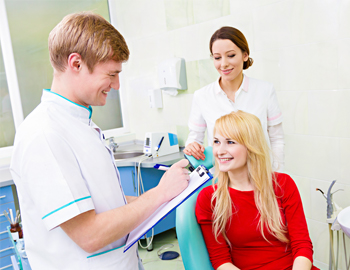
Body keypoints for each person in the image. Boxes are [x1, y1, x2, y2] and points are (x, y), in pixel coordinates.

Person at [10, 12, 190, 270]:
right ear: (76, 64)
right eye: (111, 74)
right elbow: (89, 234)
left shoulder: (80, 123)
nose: (116, 85)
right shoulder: (44, 134)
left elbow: (105, 204)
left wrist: (164, 196)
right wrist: (161, 194)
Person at [195, 111, 319, 270]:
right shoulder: (209, 198)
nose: (220, 151)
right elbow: (220, 260)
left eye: (230, 142)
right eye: (217, 141)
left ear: (251, 147)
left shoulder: (282, 184)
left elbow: (302, 244)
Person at [184, 26, 284, 171]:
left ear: (245, 55)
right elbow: (194, 139)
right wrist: (192, 146)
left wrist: (277, 176)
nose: (223, 64)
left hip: (259, 178)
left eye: (231, 55)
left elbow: (277, 140)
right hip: (221, 181)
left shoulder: (265, 91)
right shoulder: (202, 96)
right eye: (217, 57)